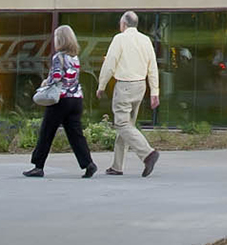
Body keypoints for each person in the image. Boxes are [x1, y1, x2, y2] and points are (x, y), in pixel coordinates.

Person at [23, 25, 97, 179]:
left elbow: (56, 76)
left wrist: (45, 82)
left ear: (61, 39)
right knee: (75, 134)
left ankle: (38, 166)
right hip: (76, 99)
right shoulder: (75, 57)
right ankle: (88, 163)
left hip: (60, 100)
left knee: (47, 132)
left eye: (56, 37)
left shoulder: (59, 57)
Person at [96, 11, 161, 177]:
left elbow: (110, 63)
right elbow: (152, 66)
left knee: (122, 124)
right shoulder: (146, 40)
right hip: (140, 86)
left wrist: (101, 85)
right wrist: (154, 91)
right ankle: (117, 166)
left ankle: (148, 153)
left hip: (124, 85)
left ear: (124, 24)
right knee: (127, 125)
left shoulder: (120, 39)